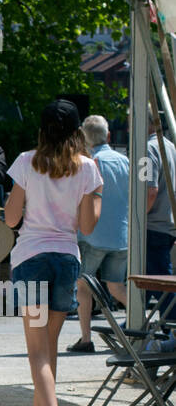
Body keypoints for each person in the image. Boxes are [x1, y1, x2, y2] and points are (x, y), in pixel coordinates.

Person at [5, 100, 102, 406]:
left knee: (37, 354)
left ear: (42, 130)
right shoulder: (88, 169)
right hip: (65, 260)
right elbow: (87, 227)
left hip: (30, 258)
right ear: (77, 131)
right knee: (49, 353)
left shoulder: (27, 162)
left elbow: (12, 218)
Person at [68, 114, 128, 352]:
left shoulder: (89, 163)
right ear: (109, 135)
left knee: (83, 287)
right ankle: (145, 322)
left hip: (93, 235)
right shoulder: (126, 161)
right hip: (121, 235)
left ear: (83, 137)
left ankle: (85, 339)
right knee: (116, 286)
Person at [145, 115, 176, 321]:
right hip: (167, 222)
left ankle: (172, 325)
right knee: (154, 281)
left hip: (152, 224)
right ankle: (135, 322)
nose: (129, 127)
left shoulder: (147, 149)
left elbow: (150, 190)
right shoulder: (170, 147)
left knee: (160, 284)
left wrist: (135, 219)